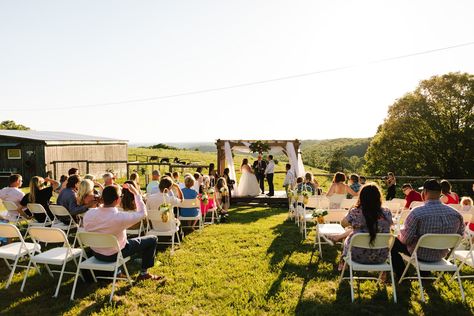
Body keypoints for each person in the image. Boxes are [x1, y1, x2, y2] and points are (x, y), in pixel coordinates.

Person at [83, 184, 163, 282]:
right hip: (114, 255)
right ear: (117, 200)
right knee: (152, 239)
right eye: (121, 196)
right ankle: (143, 273)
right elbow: (143, 213)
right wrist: (136, 193)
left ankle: (118, 272)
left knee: (118, 241)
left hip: (96, 252)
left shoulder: (88, 214)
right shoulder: (119, 217)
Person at [390, 179, 465, 278]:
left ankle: (402, 275)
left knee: (392, 242)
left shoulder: (417, 213)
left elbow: (406, 240)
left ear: (424, 193)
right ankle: (425, 273)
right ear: (440, 194)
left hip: (419, 253)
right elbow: (460, 237)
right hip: (441, 254)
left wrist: (399, 234)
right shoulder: (456, 214)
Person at [333, 184, 393, 268]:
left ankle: (343, 264)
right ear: (378, 197)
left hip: (357, 255)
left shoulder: (355, 212)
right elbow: (390, 224)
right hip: (380, 256)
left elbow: (343, 224)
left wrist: (351, 213)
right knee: (358, 231)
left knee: (352, 235)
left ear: (361, 197)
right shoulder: (387, 212)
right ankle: (383, 272)